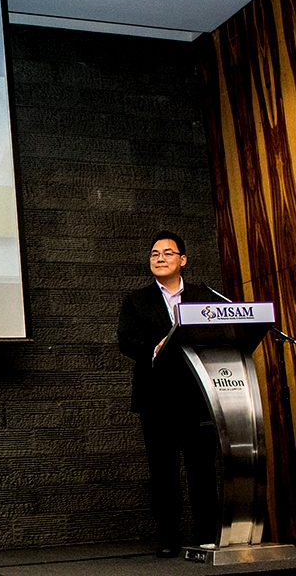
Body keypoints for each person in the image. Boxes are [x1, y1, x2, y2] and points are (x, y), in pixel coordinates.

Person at [117, 230, 219, 558]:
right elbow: (126, 340)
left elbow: (221, 332)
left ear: (183, 260)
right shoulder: (136, 300)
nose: (160, 258)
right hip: (157, 398)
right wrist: (155, 347)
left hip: (198, 396)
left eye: (167, 253)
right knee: (163, 470)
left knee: (202, 468)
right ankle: (167, 536)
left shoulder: (205, 296)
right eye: (154, 254)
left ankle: (207, 533)